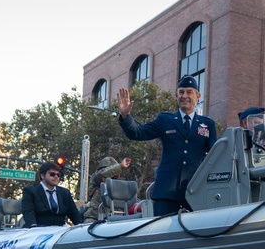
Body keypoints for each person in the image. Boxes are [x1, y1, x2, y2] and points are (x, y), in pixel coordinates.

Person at [116, 75, 217, 217]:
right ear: (176, 96)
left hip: (195, 191)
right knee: (160, 233)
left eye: (189, 92)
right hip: (166, 191)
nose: (185, 96)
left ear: (197, 96)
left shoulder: (207, 124)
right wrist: (126, 116)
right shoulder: (165, 120)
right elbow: (137, 133)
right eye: (181, 92)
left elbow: (214, 158)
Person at [21, 161, 82, 227]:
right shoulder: (30, 191)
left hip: (59, 230)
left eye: (58, 175)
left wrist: (82, 228)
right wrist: (33, 227)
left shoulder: (65, 193)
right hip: (38, 230)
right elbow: (28, 212)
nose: (56, 177)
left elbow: (74, 213)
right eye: (52, 174)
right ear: (42, 175)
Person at [81, 156, 132, 223]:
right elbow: (103, 174)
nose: (116, 174)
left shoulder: (117, 185)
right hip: (94, 216)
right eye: (114, 171)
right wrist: (120, 166)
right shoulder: (96, 177)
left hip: (114, 218)